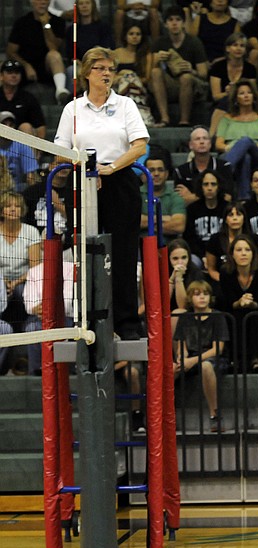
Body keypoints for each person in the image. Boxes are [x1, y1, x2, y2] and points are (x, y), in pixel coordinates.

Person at [54, 46, 149, 340]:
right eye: (100, 68)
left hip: (119, 180)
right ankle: (86, 322)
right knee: (84, 253)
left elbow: (139, 145)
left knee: (122, 254)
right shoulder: (72, 108)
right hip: (82, 181)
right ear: (86, 73)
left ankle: (127, 324)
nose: (106, 74)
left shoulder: (125, 105)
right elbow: (59, 152)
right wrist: (87, 168)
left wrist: (110, 168)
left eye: (110, 69)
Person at [173, 280, 229, 432]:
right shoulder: (185, 318)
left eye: (205, 294)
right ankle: (166, 415)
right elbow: (181, 345)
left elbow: (218, 349)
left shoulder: (217, 317)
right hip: (190, 357)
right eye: (197, 294)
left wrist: (192, 360)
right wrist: (181, 358)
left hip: (212, 359)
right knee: (170, 369)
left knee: (206, 366)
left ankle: (214, 415)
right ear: (190, 298)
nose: (202, 297)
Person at [218, 234, 258, 371]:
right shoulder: (225, 273)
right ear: (232, 254)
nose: (243, 254)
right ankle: (237, 359)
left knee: (253, 316)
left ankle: (255, 358)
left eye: (247, 250)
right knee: (235, 317)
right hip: (234, 313)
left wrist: (249, 303)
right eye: (239, 250)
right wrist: (239, 302)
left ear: (253, 253)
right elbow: (227, 302)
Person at [149, 6, 210, 127]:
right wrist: (156, 60)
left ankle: (184, 120)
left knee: (185, 77)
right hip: (170, 84)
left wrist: (191, 70)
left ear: (183, 23)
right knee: (155, 72)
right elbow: (147, 72)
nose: (174, 23)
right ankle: (164, 118)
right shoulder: (160, 42)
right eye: (170, 20)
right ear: (165, 24)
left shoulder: (194, 42)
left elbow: (203, 73)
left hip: (193, 85)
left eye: (177, 20)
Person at [215, 79, 258, 199]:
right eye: (242, 93)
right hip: (232, 152)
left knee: (246, 141)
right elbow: (218, 144)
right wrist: (236, 149)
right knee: (245, 157)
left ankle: (222, 173)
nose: (246, 95)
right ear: (236, 98)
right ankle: (244, 198)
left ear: (254, 96)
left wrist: (246, 145)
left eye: (249, 92)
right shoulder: (226, 119)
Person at [6, 0, 70, 104]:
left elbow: (53, 47)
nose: (42, 2)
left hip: (48, 66)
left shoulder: (58, 21)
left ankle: (60, 91)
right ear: (31, 2)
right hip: (25, 67)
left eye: (45, 0)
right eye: (39, 0)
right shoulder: (22, 22)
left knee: (54, 55)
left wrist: (46, 24)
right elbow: (11, 51)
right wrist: (26, 65)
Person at [0, 192, 42, 330]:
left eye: (17, 206)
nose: (13, 209)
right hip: (1, 279)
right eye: (8, 206)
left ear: (22, 210)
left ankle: (33, 323)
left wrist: (16, 282)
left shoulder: (31, 232)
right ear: (2, 210)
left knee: (22, 290)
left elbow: (35, 267)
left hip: (25, 280)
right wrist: (4, 281)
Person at [209, 32, 258, 136]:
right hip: (221, 104)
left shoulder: (250, 69)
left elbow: (252, 93)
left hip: (244, 104)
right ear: (227, 48)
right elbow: (215, 96)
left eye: (242, 46)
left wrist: (235, 92)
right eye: (235, 45)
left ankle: (211, 136)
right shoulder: (217, 67)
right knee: (226, 99)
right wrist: (229, 93)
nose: (238, 48)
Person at [172, 125, 234, 205]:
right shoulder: (180, 171)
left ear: (210, 144)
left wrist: (193, 197)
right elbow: (181, 201)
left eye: (205, 138)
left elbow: (228, 197)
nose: (202, 142)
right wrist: (214, 194)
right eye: (197, 139)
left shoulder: (224, 167)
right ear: (190, 145)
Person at [63, 0, 114, 94]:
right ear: (77, 7)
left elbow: (107, 49)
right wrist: (78, 62)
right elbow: (70, 53)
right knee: (71, 71)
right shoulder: (72, 30)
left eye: (87, 3)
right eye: (81, 4)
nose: (84, 6)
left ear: (93, 6)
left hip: (99, 62)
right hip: (79, 64)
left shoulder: (103, 27)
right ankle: (72, 102)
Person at [205, 201, 258, 285]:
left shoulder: (254, 239)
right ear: (225, 220)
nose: (235, 218)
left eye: (238, 214)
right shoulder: (215, 239)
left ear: (244, 218)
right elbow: (211, 269)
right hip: (222, 282)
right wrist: (225, 281)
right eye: (231, 215)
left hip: (250, 283)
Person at [113, 24, 156, 127]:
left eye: (138, 34)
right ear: (125, 36)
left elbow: (146, 79)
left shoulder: (146, 54)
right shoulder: (116, 53)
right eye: (131, 34)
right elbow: (110, 77)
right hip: (118, 85)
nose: (135, 37)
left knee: (131, 79)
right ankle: (141, 117)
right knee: (127, 78)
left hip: (139, 86)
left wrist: (131, 76)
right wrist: (124, 75)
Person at [139, 149, 187, 242]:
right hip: (140, 249)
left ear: (166, 174)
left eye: (160, 170)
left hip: (170, 250)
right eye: (151, 170)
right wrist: (164, 219)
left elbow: (179, 226)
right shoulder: (136, 195)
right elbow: (133, 222)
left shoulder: (176, 197)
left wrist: (146, 221)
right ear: (144, 175)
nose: (156, 174)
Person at [184, 170, 229, 263]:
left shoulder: (227, 208)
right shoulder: (192, 209)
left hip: (223, 253)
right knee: (192, 262)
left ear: (219, 187)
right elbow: (189, 238)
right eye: (206, 184)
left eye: (213, 184)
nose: (209, 188)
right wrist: (202, 256)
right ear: (201, 187)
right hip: (199, 255)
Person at [0, 60, 46, 140]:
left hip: (21, 144)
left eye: (17, 72)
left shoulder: (28, 98)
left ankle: (30, 152)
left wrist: (39, 150)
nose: (14, 75)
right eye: (9, 72)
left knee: (26, 127)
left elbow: (40, 127)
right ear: (1, 76)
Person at [0, 112, 39, 192]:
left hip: (16, 191)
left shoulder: (22, 146)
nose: (8, 128)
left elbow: (31, 176)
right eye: (4, 124)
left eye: (11, 125)